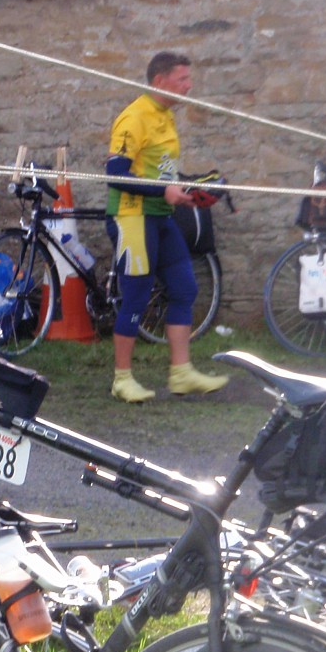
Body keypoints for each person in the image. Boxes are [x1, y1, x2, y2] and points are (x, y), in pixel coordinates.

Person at [105, 51, 228, 402]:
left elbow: (161, 171)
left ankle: (181, 373)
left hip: (160, 216)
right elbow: (115, 176)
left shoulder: (166, 116)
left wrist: (187, 192)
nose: (189, 86)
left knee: (185, 288)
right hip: (132, 217)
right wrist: (164, 189)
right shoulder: (134, 117)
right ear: (160, 81)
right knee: (137, 295)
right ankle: (122, 378)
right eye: (182, 79)